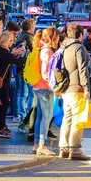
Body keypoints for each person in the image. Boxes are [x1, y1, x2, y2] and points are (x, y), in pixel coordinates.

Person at [58, 23, 91, 161]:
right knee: (78, 120)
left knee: (67, 118)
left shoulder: (64, 47)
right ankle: (75, 150)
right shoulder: (79, 48)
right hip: (77, 88)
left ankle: (64, 148)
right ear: (80, 35)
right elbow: (83, 69)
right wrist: (86, 88)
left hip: (66, 88)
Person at [0, 31, 24, 137]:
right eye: (11, 40)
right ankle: (0, 127)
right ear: (6, 41)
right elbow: (16, 61)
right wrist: (20, 55)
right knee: (5, 103)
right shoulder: (4, 53)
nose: (12, 43)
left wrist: (13, 53)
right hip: (3, 81)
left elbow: (9, 58)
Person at [31, 27, 59, 156]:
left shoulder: (41, 49)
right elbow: (46, 71)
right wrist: (53, 87)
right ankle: (42, 145)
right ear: (53, 37)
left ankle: (37, 144)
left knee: (40, 116)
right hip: (45, 87)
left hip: (38, 85)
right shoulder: (48, 51)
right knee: (46, 117)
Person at [13, 19, 35, 124]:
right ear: (30, 27)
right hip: (27, 68)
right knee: (31, 93)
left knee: (21, 93)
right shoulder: (29, 37)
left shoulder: (19, 37)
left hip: (18, 67)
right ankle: (29, 115)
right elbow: (34, 50)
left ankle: (21, 115)